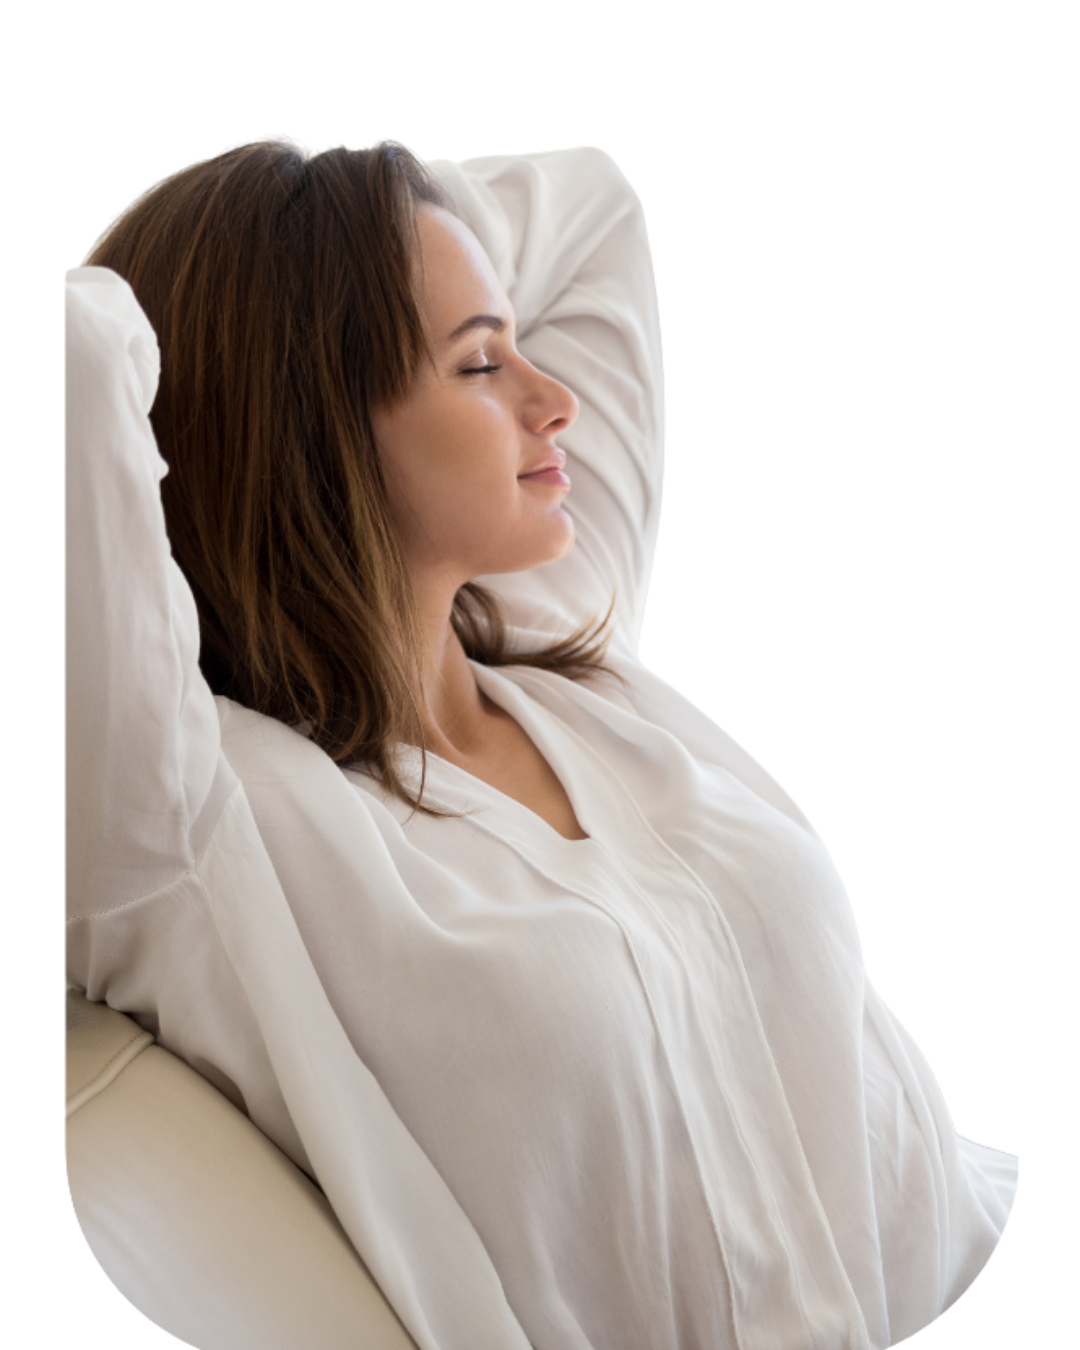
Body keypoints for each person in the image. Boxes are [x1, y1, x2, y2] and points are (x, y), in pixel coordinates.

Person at [65, 135, 1024, 1350]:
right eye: (480, 363)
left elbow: (595, 209)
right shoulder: (192, 822)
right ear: (305, 421)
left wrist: (360, 213)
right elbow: (87, 349)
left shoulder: (562, 648)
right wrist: (283, 268)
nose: (551, 398)